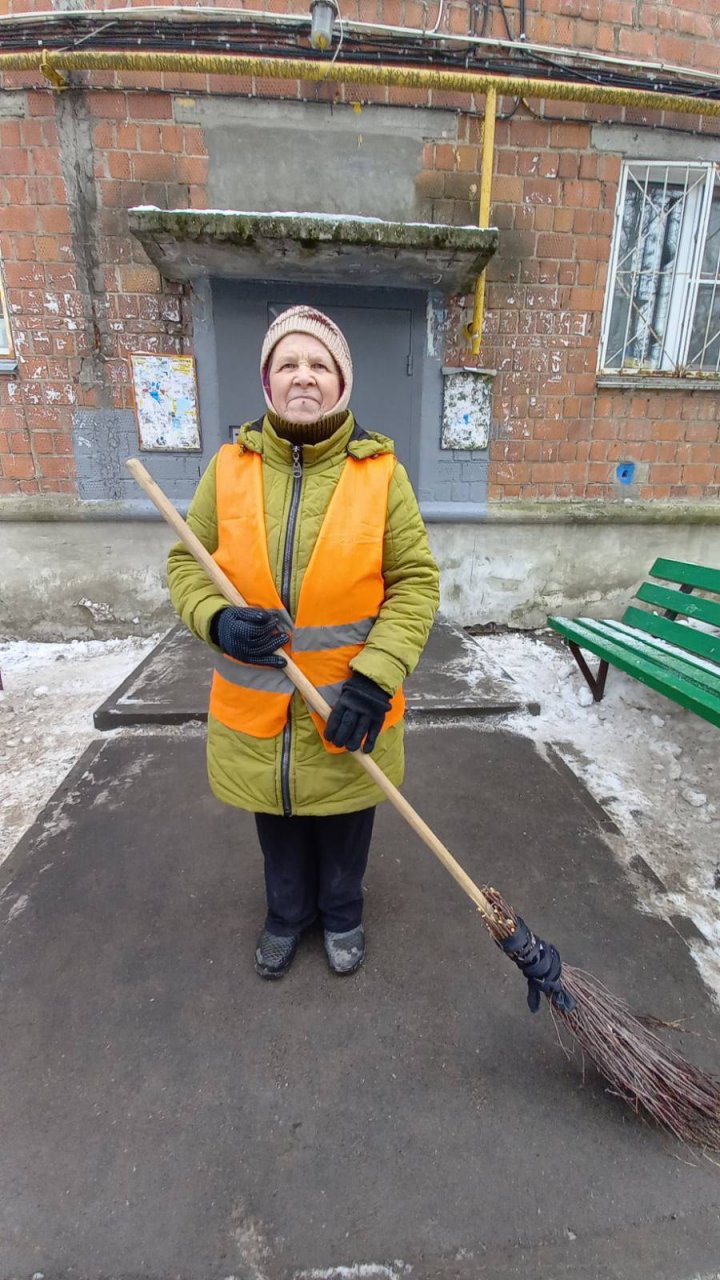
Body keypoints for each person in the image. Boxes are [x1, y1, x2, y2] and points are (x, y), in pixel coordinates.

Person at [167, 305, 439, 980]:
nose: (304, 376)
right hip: (258, 710)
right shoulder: (228, 468)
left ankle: (343, 912)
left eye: (320, 363)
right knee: (279, 815)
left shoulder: (381, 475)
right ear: (268, 379)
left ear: (341, 381)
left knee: (347, 813)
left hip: (349, 702)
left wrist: (375, 678)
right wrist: (217, 621)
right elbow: (187, 564)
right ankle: (287, 914)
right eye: (288, 363)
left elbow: (415, 583)